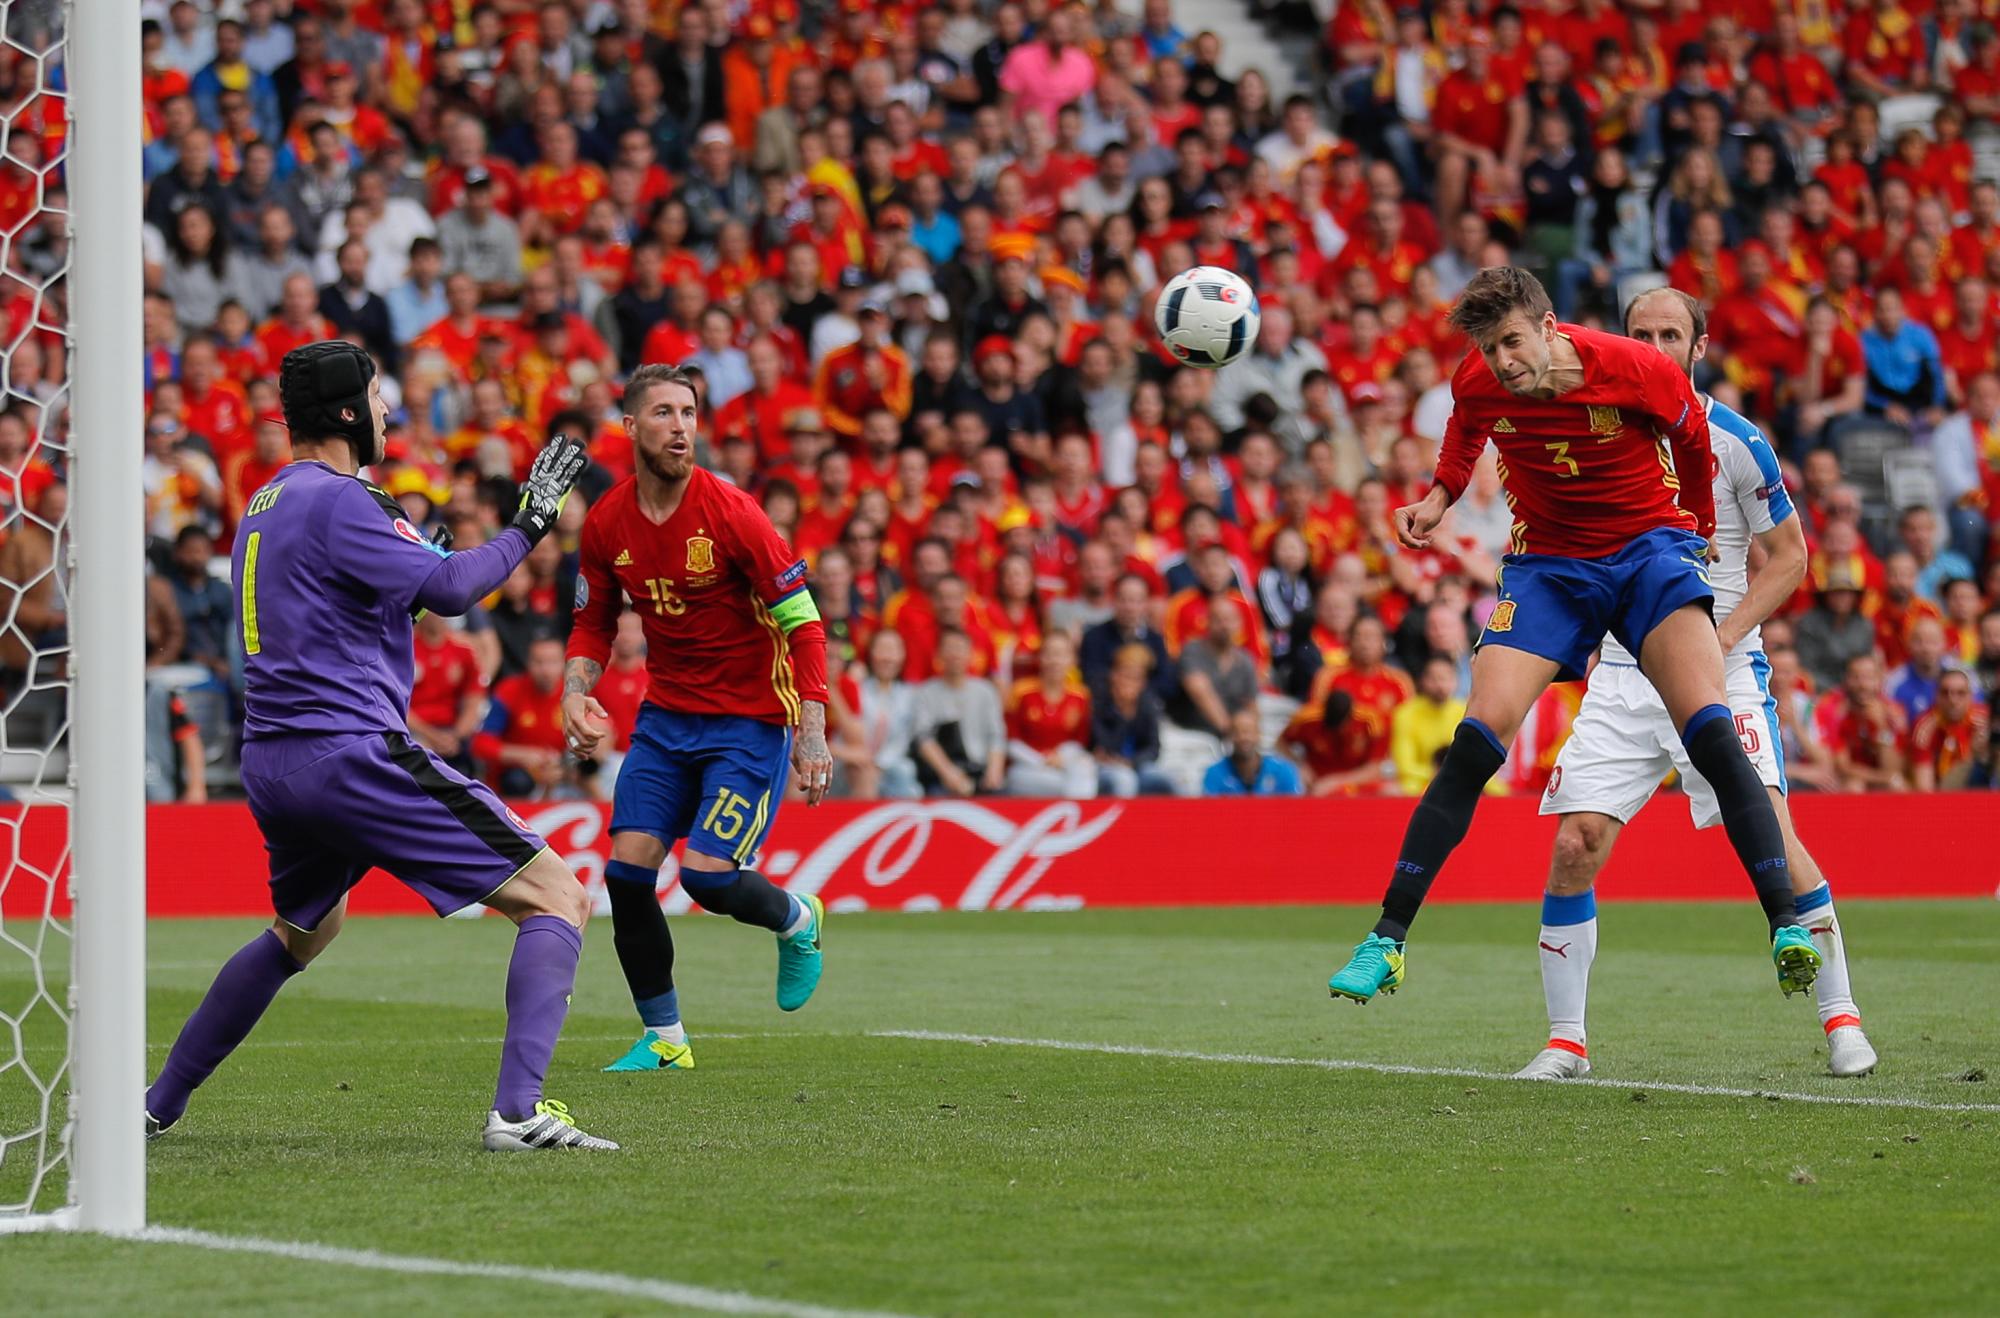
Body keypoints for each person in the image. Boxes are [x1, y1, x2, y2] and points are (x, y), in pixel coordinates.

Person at [144, 341, 613, 1151]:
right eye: (380, 397)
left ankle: (153, 1105)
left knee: (302, 934)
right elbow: (454, 591)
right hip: (346, 751)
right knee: (558, 897)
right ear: (351, 413)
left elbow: (347, 609)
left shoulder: (262, 505)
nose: (391, 412)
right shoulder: (342, 499)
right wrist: (531, 522)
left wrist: (410, 558)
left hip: (274, 761)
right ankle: (517, 1112)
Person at [1327, 268, 1820, 1007]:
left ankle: (1786, 926)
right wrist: (1440, 496)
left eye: (1514, 343)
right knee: (1475, 739)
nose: (1504, 362)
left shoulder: (1632, 368)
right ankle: (1387, 940)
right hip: (1550, 566)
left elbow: (1691, 434)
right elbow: (1466, 423)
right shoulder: (1481, 378)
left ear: (1551, 327)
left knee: (1711, 727)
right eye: (1492, 349)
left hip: (1646, 551)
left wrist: (1693, 526)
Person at [1524, 288, 1875, 1082]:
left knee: (1779, 849)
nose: (1653, 345)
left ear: (1699, 346)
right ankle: (1566, 1042)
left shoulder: (1735, 439)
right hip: (1623, 673)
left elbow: (1789, 555)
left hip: (1719, 666)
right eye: (1640, 332)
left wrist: (1717, 637)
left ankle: (1841, 1020)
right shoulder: (1593, 425)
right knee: (1576, 844)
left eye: (1669, 334)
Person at [563, 364, 833, 1075]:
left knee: (708, 880)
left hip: (747, 721)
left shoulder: (735, 513)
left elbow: (803, 623)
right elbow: (593, 623)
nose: (681, 426)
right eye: (662, 412)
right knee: (626, 876)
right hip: (667, 719)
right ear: (630, 427)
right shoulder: (606, 522)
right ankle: (665, 1039)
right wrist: (573, 692)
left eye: (688, 411)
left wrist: (812, 730)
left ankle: (798, 920)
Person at [1202, 706, 1303, 796]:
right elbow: (1208, 812)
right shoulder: (1215, 773)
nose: (1243, 738)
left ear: (1259, 735)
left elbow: (1295, 808)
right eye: (1237, 732)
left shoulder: (1282, 770)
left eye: (1248, 732)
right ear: (1229, 736)